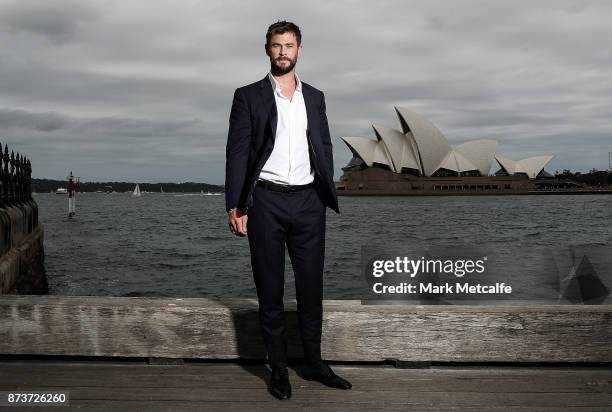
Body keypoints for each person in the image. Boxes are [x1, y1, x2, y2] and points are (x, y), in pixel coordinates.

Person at [225, 20, 351, 400]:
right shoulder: (247, 96)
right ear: (268, 50)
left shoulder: (315, 96)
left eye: (289, 45)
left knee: (312, 287)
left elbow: (324, 146)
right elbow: (238, 152)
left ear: (299, 50)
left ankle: (313, 361)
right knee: (271, 290)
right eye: (277, 46)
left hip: (309, 202)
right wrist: (236, 203)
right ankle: (278, 369)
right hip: (265, 201)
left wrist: (324, 187)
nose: (283, 52)